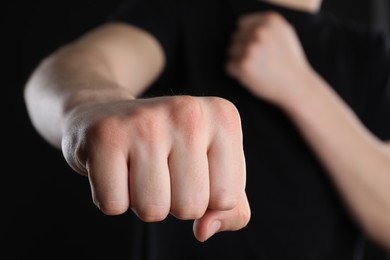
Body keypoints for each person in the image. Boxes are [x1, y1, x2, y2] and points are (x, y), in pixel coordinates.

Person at [23, 0, 390, 259]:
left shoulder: (373, 53)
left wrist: (298, 84)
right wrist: (94, 104)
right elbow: (64, 71)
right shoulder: (181, 11)